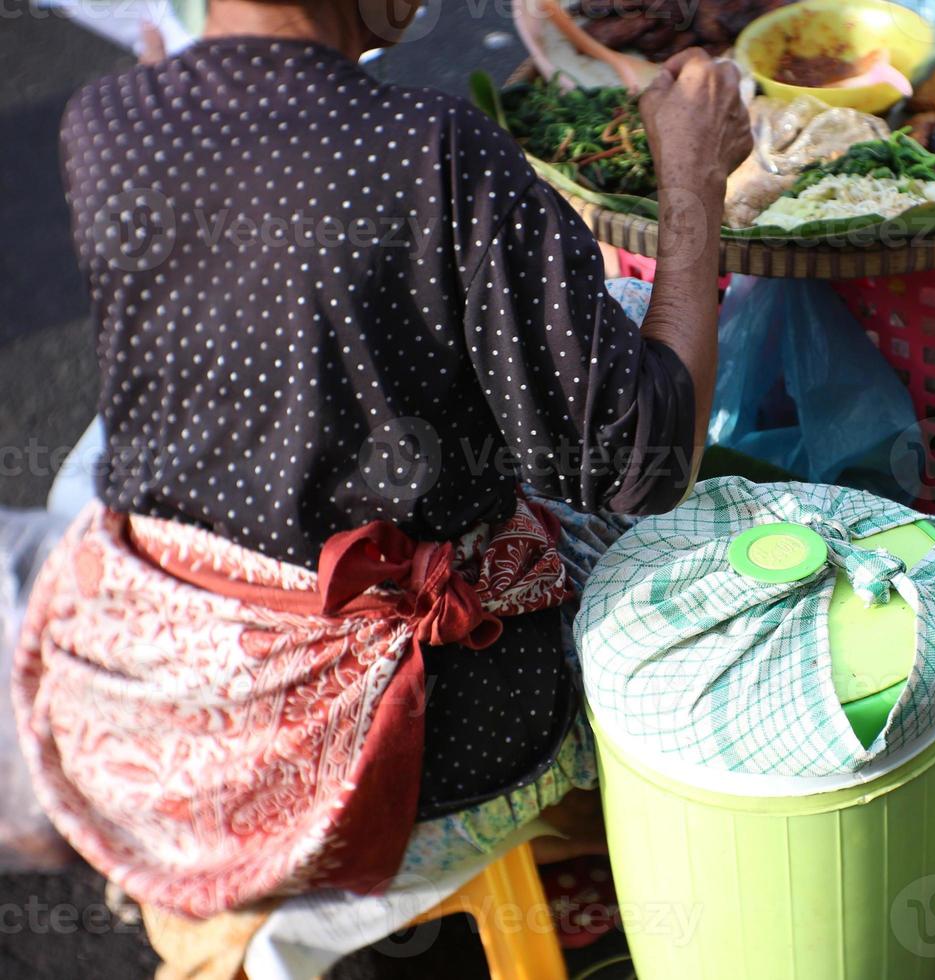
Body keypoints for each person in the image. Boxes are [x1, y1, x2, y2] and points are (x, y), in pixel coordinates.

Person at [14, 0, 751, 970]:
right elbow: (649, 464)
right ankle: (565, 861)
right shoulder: (440, 153)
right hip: (396, 752)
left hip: (143, 718)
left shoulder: (107, 119)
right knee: (682, 524)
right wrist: (691, 186)